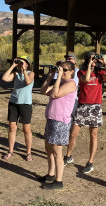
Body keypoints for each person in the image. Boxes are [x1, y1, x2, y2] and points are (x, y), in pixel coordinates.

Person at [66, 52, 106, 174]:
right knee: (73, 133)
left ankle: (90, 161)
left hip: (95, 106)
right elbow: (86, 80)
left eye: (95, 60)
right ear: (87, 60)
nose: (94, 62)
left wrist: (105, 64)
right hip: (82, 105)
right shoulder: (80, 72)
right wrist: (89, 67)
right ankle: (68, 156)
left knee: (93, 135)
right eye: (92, 59)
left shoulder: (100, 73)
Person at [39, 61, 77, 189]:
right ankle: (50, 174)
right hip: (51, 119)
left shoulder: (71, 84)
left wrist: (59, 76)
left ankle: (58, 181)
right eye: (61, 69)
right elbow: (43, 90)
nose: (62, 72)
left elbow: (55, 94)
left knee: (57, 152)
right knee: (48, 149)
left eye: (65, 70)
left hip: (60, 122)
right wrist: (50, 76)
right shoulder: (59, 83)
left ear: (72, 71)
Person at [1, 56, 35, 161]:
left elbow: (28, 82)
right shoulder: (16, 74)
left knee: (26, 129)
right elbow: (4, 78)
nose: (20, 64)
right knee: (12, 128)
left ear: (27, 64)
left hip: (25, 104)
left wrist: (24, 70)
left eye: (22, 62)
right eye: (19, 62)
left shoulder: (31, 73)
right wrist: (13, 66)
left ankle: (28, 152)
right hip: (13, 103)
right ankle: (10, 151)